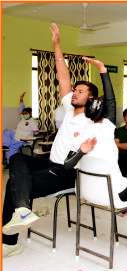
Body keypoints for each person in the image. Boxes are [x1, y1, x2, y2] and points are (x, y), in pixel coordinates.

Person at [2, 23, 95, 257]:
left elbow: (79, 157)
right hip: (49, 162)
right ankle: (22, 210)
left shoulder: (92, 122)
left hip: (66, 172)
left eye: (81, 91)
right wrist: (56, 45)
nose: (75, 92)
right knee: (17, 160)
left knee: (14, 186)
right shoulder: (68, 107)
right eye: (76, 89)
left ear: (92, 99)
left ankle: (10, 240)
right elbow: (62, 75)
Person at [64, 57, 127, 248]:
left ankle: (124, 209)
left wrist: (81, 151)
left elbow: (67, 164)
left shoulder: (79, 133)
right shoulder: (109, 126)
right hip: (110, 193)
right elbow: (111, 100)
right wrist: (102, 69)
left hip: (86, 192)